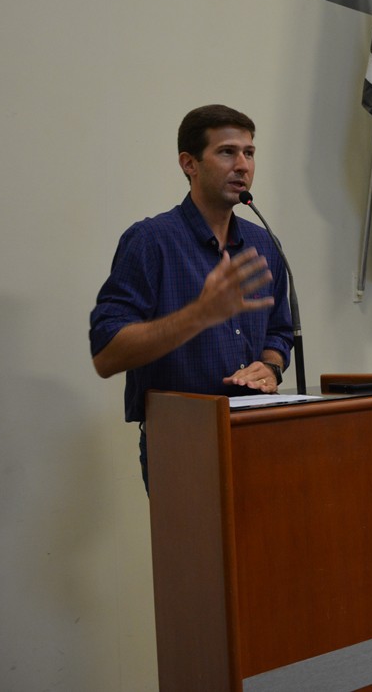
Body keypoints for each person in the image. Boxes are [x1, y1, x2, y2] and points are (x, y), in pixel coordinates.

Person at [90, 104, 294, 490]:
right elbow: (107, 353)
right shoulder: (150, 241)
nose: (243, 165)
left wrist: (270, 368)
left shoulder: (264, 244)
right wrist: (198, 314)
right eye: (227, 152)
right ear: (189, 163)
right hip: (181, 442)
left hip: (257, 432)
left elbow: (279, 333)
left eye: (249, 153)